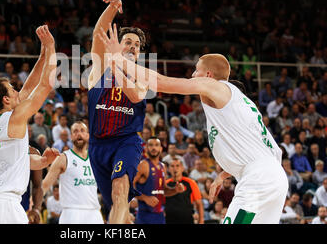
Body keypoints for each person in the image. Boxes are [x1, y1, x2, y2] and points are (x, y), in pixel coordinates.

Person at [101, 30, 287, 223]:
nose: (192, 74)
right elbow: (263, 153)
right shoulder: (237, 103)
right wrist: (223, 174)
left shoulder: (215, 86)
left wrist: (119, 60)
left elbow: (162, 82)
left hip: (258, 178)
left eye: (196, 70)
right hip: (273, 177)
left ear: (207, 75)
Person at [0, 25, 59, 224]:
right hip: (5, 206)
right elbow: (45, 85)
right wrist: (53, 47)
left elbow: (29, 86)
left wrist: (43, 53)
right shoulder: (14, 118)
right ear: (5, 100)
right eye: (12, 89)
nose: (17, 91)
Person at [87, 0, 147, 224]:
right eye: (128, 42)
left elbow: (133, 95)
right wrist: (112, 9)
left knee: (121, 191)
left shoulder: (142, 77)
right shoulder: (101, 69)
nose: (132, 46)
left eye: (137, 45)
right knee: (116, 205)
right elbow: (97, 34)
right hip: (98, 145)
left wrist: (119, 66)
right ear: (117, 45)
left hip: (126, 141)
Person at [41, 121, 103, 224]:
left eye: (82, 131)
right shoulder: (63, 158)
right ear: (71, 137)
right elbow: (45, 184)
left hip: (94, 212)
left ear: (87, 136)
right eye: (75, 131)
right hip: (72, 212)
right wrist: (33, 204)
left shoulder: (96, 158)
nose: (79, 134)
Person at [133, 138, 168, 224]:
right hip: (145, 215)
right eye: (151, 145)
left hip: (160, 215)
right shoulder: (142, 165)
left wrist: (175, 189)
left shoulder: (163, 166)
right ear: (146, 148)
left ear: (161, 148)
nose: (154, 148)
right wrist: (145, 198)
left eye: (156, 145)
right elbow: (129, 185)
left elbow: (164, 191)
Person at [164, 158, 204, 224]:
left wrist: (201, 221)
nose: (175, 168)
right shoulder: (165, 183)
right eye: (172, 166)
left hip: (187, 219)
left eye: (177, 166)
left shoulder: (191, 182)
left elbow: (199, 204)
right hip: (168, 220)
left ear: (182, 168)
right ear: (168, 169)